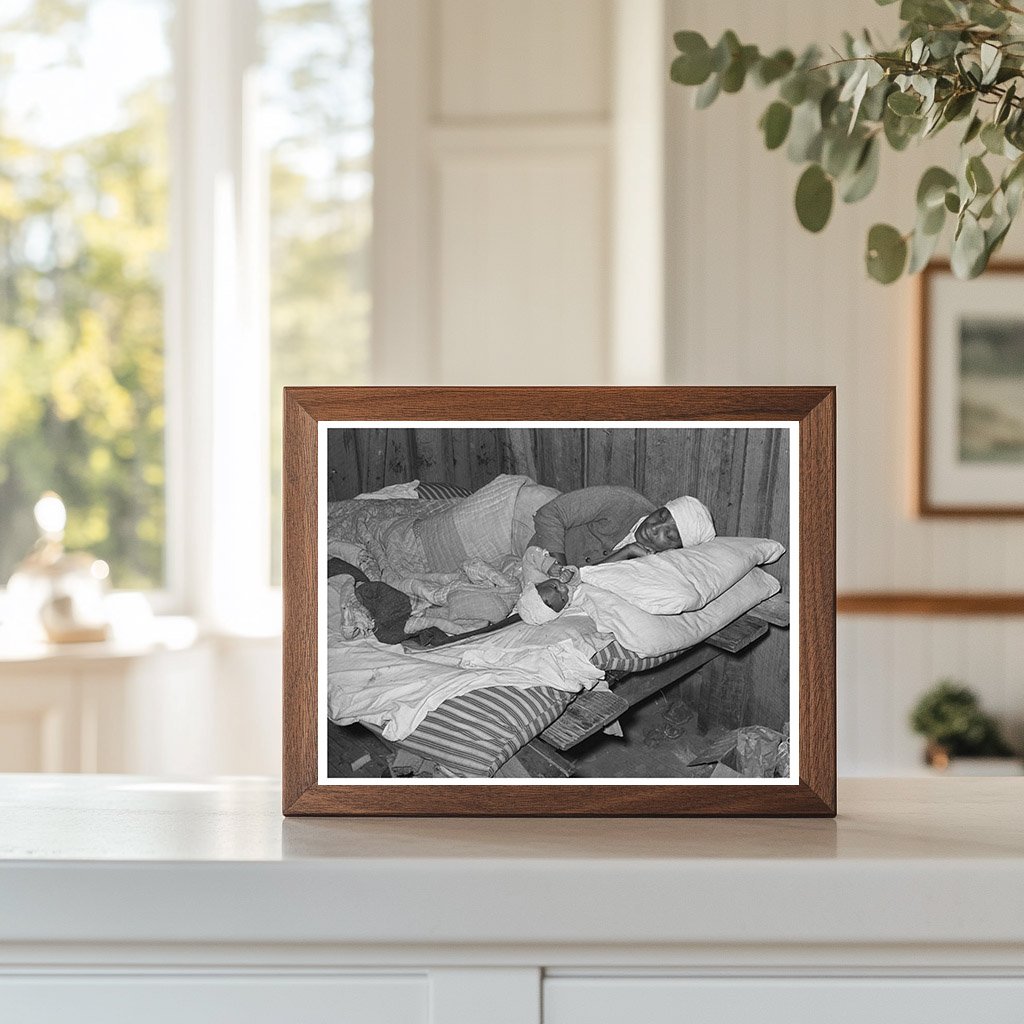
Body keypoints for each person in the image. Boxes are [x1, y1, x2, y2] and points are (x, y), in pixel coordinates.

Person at [529, 487, 715, 566]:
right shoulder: (620, 500)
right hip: (537, 557)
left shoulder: (656, 564)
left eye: (669, 535)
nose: (654, 527)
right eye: (661, 515)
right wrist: (559, 573)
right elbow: (549, 514)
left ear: (676, 549)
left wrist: (626, 552)